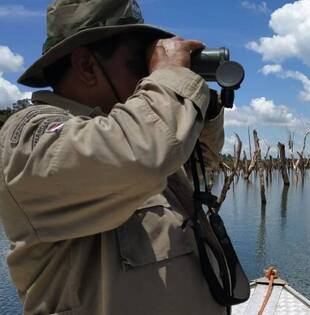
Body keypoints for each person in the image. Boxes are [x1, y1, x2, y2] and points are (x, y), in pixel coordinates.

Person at [0, 0, 232, 314]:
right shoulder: (29, 136)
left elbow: (199, 166)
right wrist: (171, 79)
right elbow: (142, 155)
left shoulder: (130, 134)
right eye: (139, 60)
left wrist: (205, 109)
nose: (148, 73)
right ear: (86, 66)